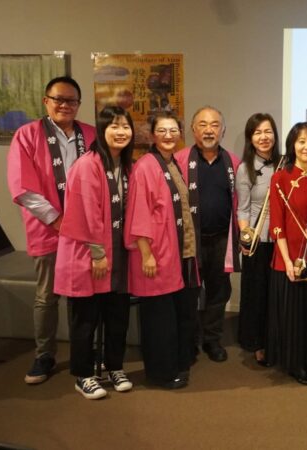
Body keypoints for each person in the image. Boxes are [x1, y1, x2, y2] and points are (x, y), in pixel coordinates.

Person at [7, 76, 97, 384]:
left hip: (85, 231)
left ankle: (84, 351)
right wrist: (57, 220)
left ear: (79, 104)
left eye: (71, 100)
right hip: (47, 229)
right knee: (47, 295)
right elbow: (22, 187)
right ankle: (44, 354)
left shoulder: (90, 134)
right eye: (58, 99)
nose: (64, 105)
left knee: (83, 294)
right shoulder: (27, 135)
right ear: (46, 101)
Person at [54, 105, 134, 399]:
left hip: (119, 255)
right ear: (101, 130)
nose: (120, 131)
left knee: (117, 316)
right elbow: (85, 213)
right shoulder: (88, 165)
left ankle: (114, 366)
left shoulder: (126, 166)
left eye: (125, 126)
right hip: (89, 255)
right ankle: (84, 375)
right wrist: (98, 254)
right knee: (85, 319)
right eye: (113, 126)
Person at [124, 111, 201, 389]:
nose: (169, 136)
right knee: (159, 318)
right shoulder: (145, 166)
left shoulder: (172, 163)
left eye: (173, 130)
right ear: (152, 135)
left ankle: (177, 363)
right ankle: (162, 373)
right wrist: (146, 254)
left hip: (176, 251)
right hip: (156, 253)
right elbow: (139, 212)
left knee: (175, 313)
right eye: (162, 131)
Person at [267, 122, 307, 386]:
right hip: (290, 257)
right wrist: (287, 261)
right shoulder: (281, 178)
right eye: (301, 141)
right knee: (295, 314)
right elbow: (277, 225)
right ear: (292, 145)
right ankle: (296, 365)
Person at [174, 106, 241, 363]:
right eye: (202, 124)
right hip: (190, 240)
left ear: (223, 130)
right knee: (189, 291)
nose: (209, 130)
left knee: (219, 291)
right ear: (193, 130)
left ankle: (212, 339)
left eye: (214, 125)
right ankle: (189, 339)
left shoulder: (233, 162)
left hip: (222, 239)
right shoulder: (179, 160)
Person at [236, 113, 281, 365]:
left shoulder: (286, 163)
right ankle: (258, 342)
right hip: (258, 240)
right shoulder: (245, 168)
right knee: (258, 293)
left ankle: (279, 339)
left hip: (282, 240)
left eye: (268, 131)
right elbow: (242, 209)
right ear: (250, 138)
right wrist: (246, 238)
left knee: (279, 294)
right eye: (257, 133)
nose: (264, 137)